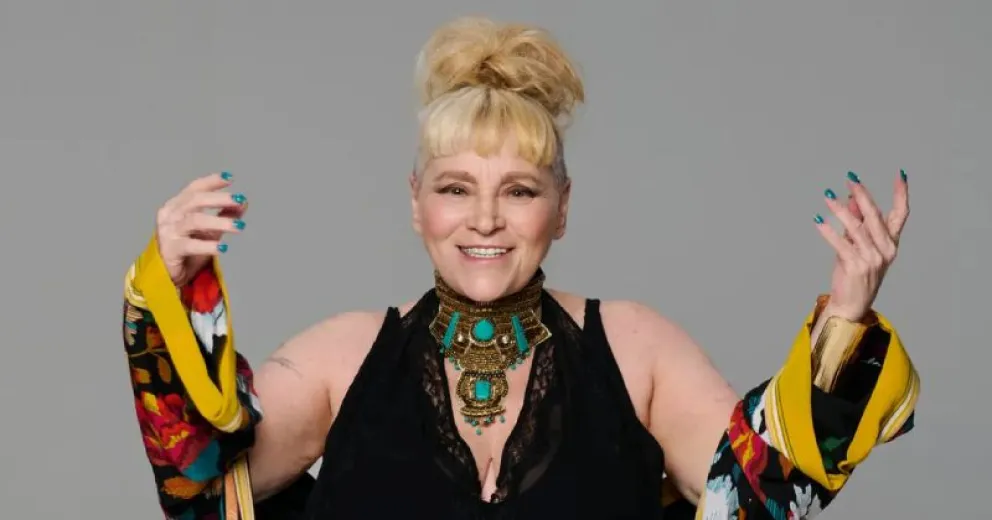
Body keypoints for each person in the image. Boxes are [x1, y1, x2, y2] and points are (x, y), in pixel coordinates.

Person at [120, 16, 918, 520]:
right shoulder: (340, 358)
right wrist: (173, 298)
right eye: (455, 188)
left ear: (561, 208)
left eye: (520, 190)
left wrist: (845, 323)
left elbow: (753, 498)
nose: (486, 219)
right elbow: (200, 489)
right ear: (416, 202)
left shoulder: (637, 349)